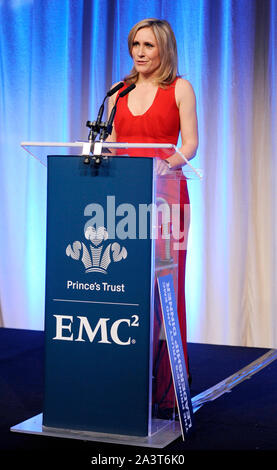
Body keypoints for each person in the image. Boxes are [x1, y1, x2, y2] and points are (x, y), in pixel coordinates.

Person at [107, 18, 198, 415]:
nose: (140, 52)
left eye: (148, 45)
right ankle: (125, 381)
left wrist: (167, 163)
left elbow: (191, 144)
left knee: (164, 290)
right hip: (123, 201)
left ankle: (168, 388)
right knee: (125, 289)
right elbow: (111, 143)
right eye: (135, 45)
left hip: (166, 199)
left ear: (163, 49)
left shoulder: (180, 87)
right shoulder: (117, 92)